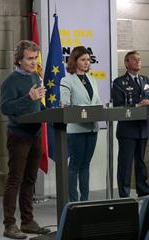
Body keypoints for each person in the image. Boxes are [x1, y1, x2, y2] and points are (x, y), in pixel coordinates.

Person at [0, 40, 50, 239]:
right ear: (19, 60)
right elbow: (6, 108)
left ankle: (28, 221)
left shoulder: (36, 77)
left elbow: (36, 107)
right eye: (29, 58)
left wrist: (52, 113)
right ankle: (9, 225)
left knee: (30, 179)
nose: (33, 62)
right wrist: (28, 98)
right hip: (18, 136)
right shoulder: (10, 81)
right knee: (15, 180)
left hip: (35, 135)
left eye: (35, 58)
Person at [60, 46, 101, 202]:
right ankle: (73, 201)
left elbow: (96, 102)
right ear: (74, 61)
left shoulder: (92, 79)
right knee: (75, 166)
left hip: (92, 128)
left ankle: (85, 200)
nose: (86, 63)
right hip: (76, 129)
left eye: (88, 60)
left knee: (86, 165)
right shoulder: (66, 80)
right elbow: (65, 104)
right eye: (83, 60)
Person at [112, 50, 149, 198]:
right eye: (134, 59)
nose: (138, 62)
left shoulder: (146, 80)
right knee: (126, 163)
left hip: (143, 128)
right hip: (128, 129)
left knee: (141, 161)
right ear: (126, 63)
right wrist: (137, 105)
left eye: (139, 59)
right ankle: (124, 193)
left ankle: (143, 190)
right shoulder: (119, 82)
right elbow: (118, 104)